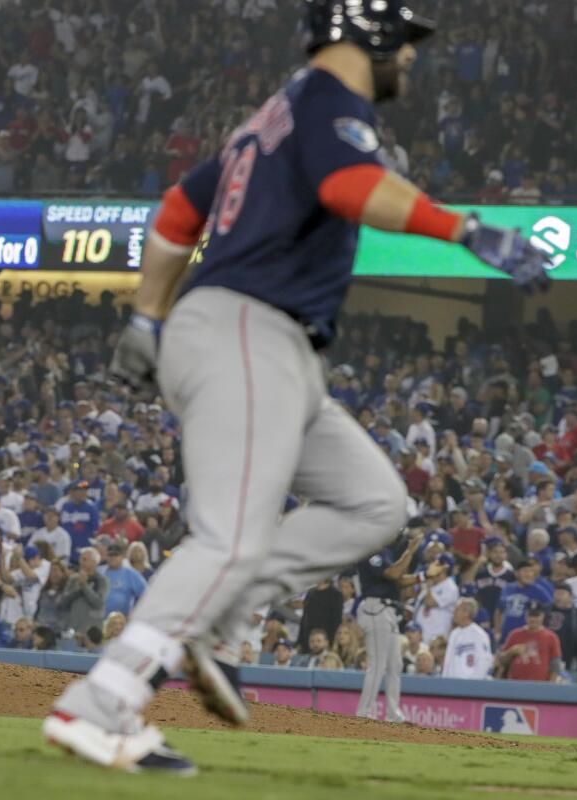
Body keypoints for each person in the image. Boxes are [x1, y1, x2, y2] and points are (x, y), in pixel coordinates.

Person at [44, 0, 550, 773]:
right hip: (249, 331)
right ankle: (100, 703)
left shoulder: (275, 112)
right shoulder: (326, 102)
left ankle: (217, 625)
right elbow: (353, 187)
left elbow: (180, 211)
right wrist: (466, 230)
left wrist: (148, 317)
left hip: (263, 345)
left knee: (374, 502)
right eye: (404, 40)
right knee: (230, 538)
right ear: (367, 33)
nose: (410, 57)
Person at [354, 531, 423, 722]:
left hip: (388, 610)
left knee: (395, 665)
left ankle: (393, 714)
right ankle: (363, 714)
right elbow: (393, 573)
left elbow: (398, 580)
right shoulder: (371, 550)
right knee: (378, 665)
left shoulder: (385, 552)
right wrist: (410, 551)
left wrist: (423, 577)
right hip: (375, 608)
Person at [497, 603, 561, 682]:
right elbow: (501, 661)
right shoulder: (515, 634)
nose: (533, 619)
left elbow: (555, 666)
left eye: (536, 615)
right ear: (525, 616)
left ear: (543, 616)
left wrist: (551, 687)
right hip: (515, 684)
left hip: (540, 685)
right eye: (530, 615)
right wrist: (511, 652)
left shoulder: (551, 637)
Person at [59, 547, 108, 637]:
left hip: (92, 630)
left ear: (94, 562)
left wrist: (84, 587)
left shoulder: (101, 580)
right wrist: (78, 590)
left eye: (85, 560)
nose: (81, 562)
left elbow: (98, 603)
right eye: (81, 559)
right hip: (73, 628)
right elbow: (64, 603)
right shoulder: (73, 579)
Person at [441, 598, 492, 679]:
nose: (454, 613)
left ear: (466, 613)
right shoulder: (454, 634)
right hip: (451, 685)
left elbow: (485, 662)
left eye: (457, 610)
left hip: (470, 686)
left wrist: (472, 685)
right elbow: (447, 662)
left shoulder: (479, 634)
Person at [99, 542, 147, 617]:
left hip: (121, 620)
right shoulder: (99, 571)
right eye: (110, 555)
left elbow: (145, 593)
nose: (113, 558)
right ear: (106, 556)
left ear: (122, 557)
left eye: (116, 555)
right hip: (99, 619)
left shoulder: (130, 574)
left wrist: (136, 613)